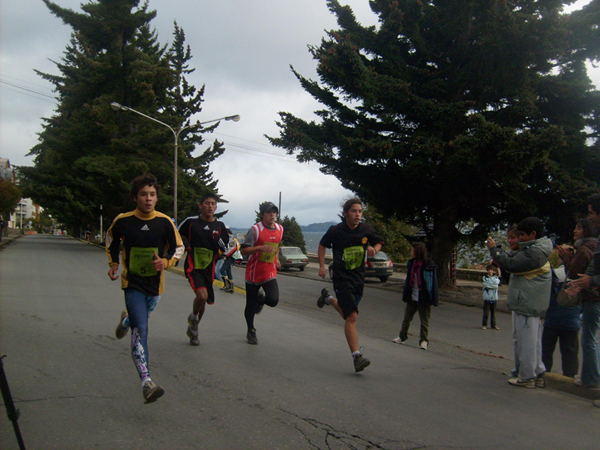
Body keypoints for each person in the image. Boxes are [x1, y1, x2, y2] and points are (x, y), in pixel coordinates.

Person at [106, 173, 184, 403]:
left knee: (136, 321)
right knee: (142, 328)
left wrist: (166, 262)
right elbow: (111, 241)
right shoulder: (124, 221)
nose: (148, 199)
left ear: (157, 198)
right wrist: (113, 264)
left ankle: (124, 321)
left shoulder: (164, 222)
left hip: (155, 287)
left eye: (152, 195)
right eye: (143, 195)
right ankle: (146, 382)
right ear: (135, 197)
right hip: (132, 284)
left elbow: (178, 248)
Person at [317, 198, 383, 372]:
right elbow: (323, 245)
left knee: (348, 315)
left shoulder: (366, 230)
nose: (358, 215)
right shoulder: (336, 230)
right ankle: (356, 357)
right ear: (346, 213)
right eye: (354, 211)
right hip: (341, 277)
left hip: (359, 278)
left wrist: (374, 250)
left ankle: (328, 298)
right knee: (352, 317)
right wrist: (322, 265)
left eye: (360, 211)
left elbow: (379, 241)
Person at [487, 217, 552, 388]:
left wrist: (494, 250)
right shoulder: (537, 250)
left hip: (526, 302)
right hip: (528, 302)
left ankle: (527, 376)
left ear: (533, 234)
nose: (520, 238)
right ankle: (536, 372)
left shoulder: (535, 253)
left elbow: (512, 263)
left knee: (526, 342)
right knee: (532, 340)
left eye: (522, 235)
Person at [545, 218, 596, 378]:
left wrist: (566, 260)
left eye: (578, 228)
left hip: (559, 315)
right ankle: (572, 376)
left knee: (549, 348)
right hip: (574, 317)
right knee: (572, 350)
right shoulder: (593, 248)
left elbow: (574, 274)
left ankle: (590, 378)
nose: (575, 231)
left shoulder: (583, 251)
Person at [178, 193, 229, 346]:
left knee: (204, 300)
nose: (210, 206)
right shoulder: (191, 222)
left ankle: (194, 330)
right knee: (201, 296)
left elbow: (225, 247)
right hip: (194, 265)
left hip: (209, 267)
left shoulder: (220, 226)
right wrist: (187, 245)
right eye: (207, 203)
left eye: (213, 204)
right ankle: (193, 317)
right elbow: (177, 234)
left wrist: (220, 246)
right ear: (200, 206)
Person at [565, 195, 600, 388]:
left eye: (592, 213)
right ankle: (590, 377)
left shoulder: (586, 248)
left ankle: (592, 379)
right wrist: (584, 281)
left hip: (594, 298)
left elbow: (584, 271)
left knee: (589, 339)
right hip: (592, 294)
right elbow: (593, 268)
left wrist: (589, 281)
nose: (591, 218)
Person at [241, 202, 283, 345]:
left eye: (274, 212)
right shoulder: (255, 230)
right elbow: (244, 251)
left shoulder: (279, 229)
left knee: (273, 300)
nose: (272, 215)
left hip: (269, 272)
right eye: (269, 212)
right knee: (250, 306)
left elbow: (276, 245)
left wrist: (276, 258)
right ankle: (251, 330)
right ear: (262, 215)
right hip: (253, 273)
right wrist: (260, 248)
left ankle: (261, 300)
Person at [392, 242, 438, 350]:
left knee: (424, 321)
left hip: (424, 297)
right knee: (406, 319)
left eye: (412, 250)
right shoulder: (411, 264)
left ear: (418, 252)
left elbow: (432, 283)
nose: (410, 252)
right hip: (412, 296)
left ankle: (424, 340)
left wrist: (433, 298)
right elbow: (408, 281)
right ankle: (402, 337)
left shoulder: (428, 264)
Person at [220, 227, 240, 293]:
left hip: (230, 257)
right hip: (232, 257)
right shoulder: (233, 239)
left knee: (222, 269)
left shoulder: (230, 239)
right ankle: (231, 287)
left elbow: (230, 249)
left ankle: (227, 285)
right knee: (228, 271)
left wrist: (225, 254)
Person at [482, 264, 501, 330]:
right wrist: (491, 285)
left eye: (491, 270)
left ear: (493, 271)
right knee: (486, 313)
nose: (490, 271)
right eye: (489, 270)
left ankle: (494, 325)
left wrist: (490, 285)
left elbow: (496, 286)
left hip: (494, 297)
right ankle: (484, 325)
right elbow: (485, 285)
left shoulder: (496, 278)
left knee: (493, 313)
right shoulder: (485, 277)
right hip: (487, 297)